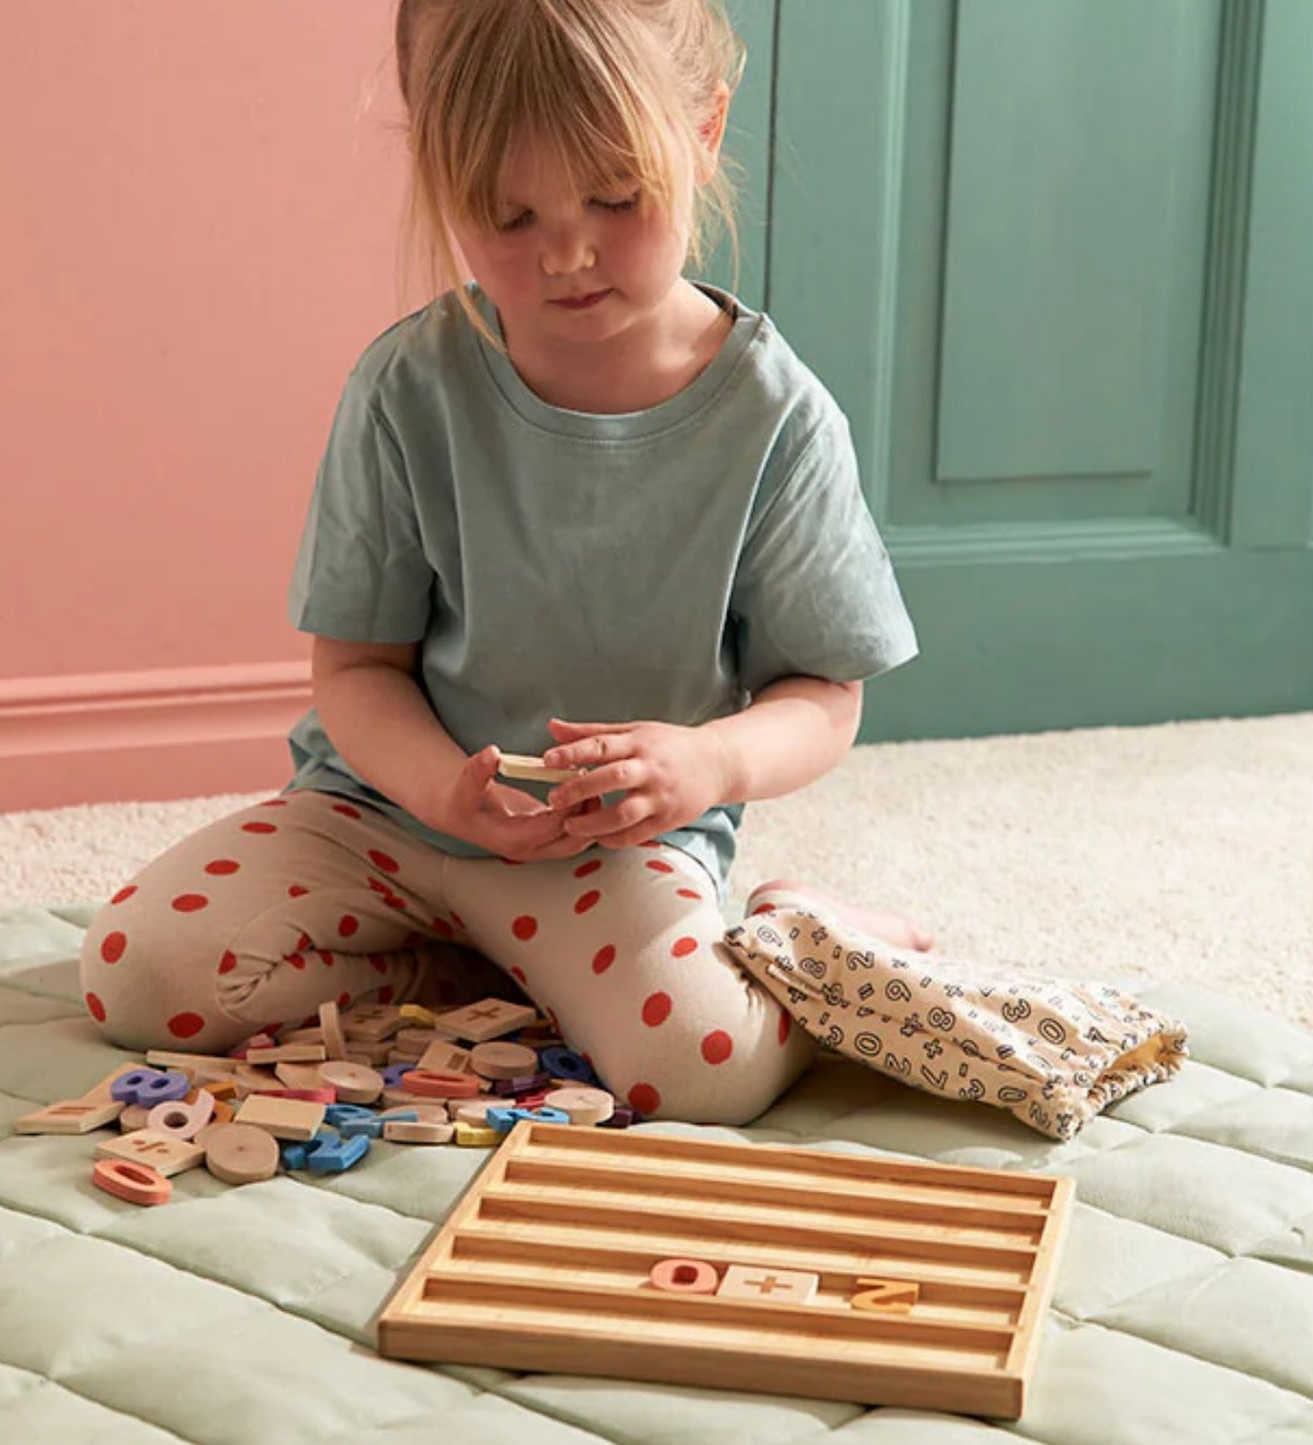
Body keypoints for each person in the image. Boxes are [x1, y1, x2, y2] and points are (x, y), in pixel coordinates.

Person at [79, 0, 927, 1126]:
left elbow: (822, 696)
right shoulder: (407, 386)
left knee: (698, 1069)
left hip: (612, 848)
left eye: (616, 198)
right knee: (139, 971)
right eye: (507, 214)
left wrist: (707, 765)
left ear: (706, 130)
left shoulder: (775, 416)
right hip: (385, 813)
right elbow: (356, 672)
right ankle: (481, 974)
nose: (568, 252)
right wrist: (441, 791)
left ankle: (796, 925)